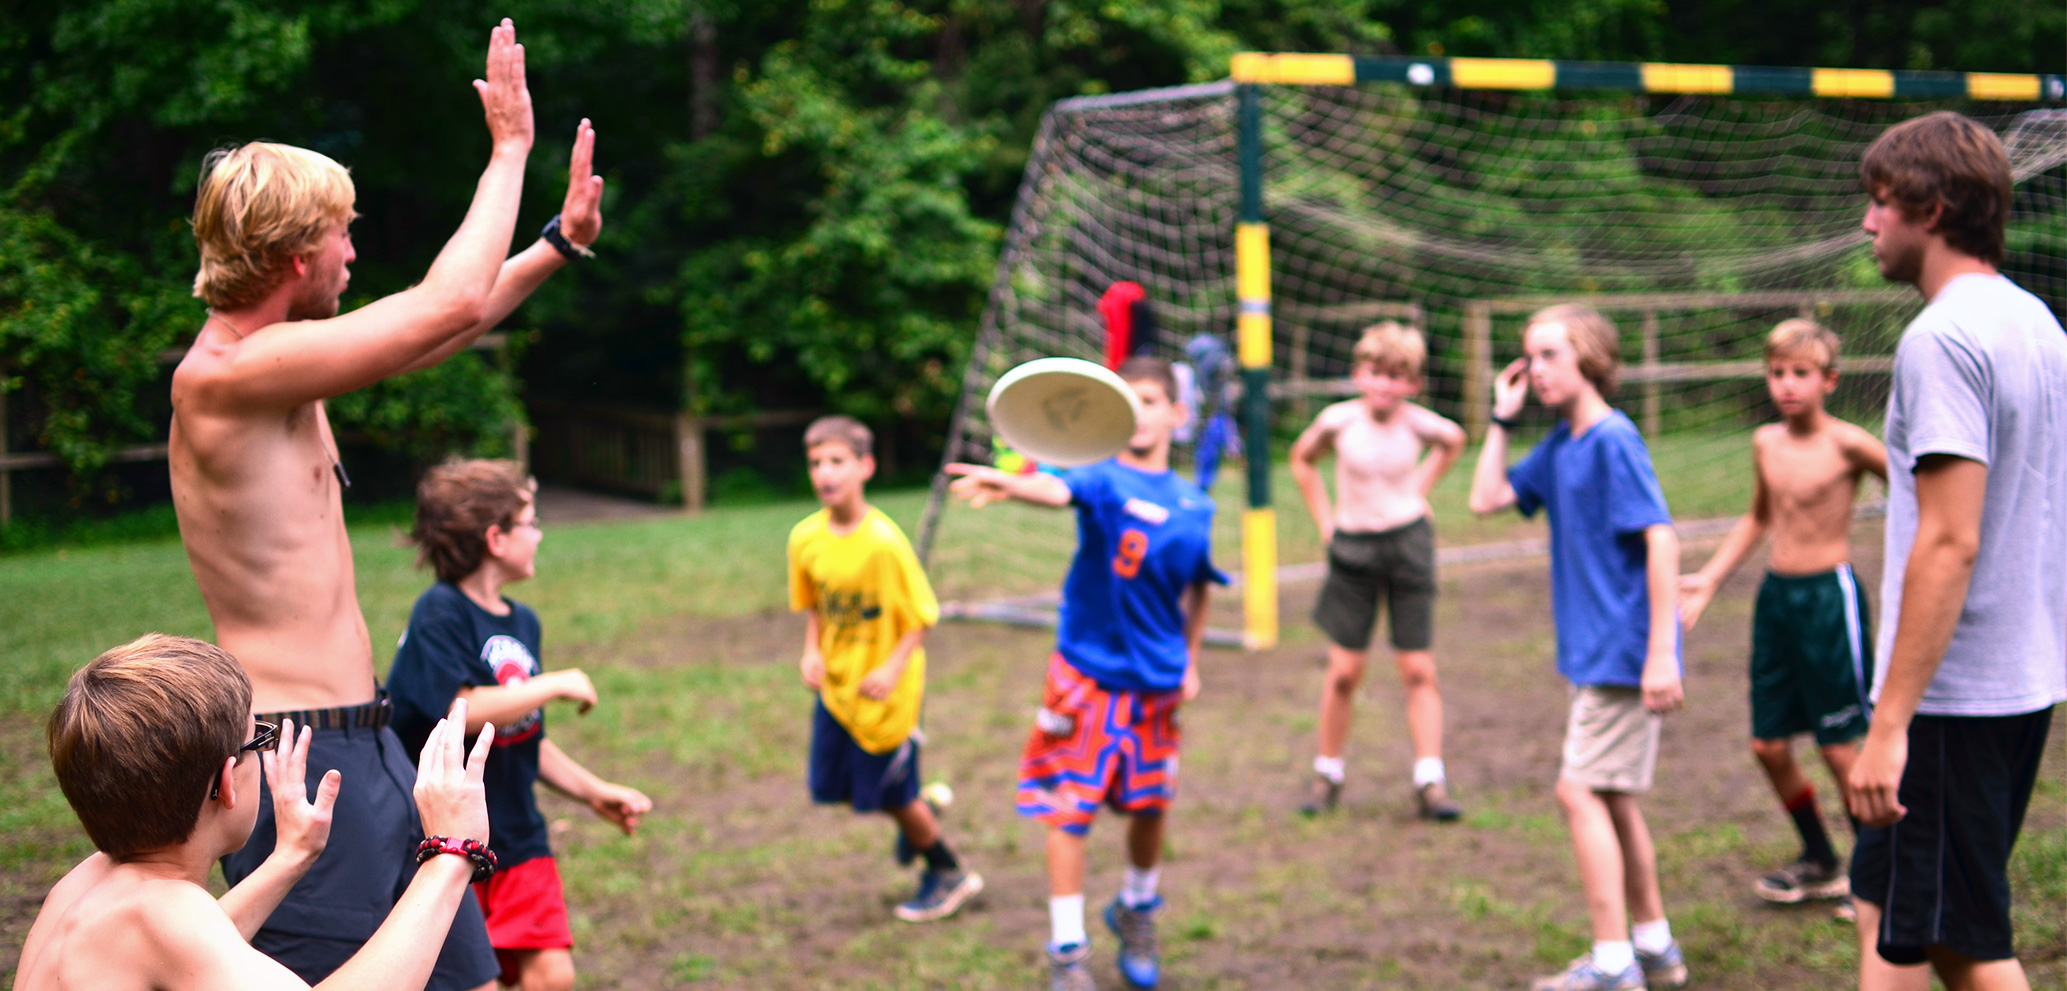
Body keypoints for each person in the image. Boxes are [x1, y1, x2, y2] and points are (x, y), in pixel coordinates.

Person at [167, 20, 602, 989]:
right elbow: (441, 305)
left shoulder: (281, 366)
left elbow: (435, 328)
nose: (354, 252)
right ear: (292, 256)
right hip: (300, 759)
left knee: (470, 977)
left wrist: (555, 249)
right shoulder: (227, 376)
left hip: (367, 743)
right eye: (343, 233)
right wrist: (511, 151)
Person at [1844, 111, 2067, 991]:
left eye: (1880, 202)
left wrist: (1889, 722)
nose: (1867, 223)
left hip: (1951, 698)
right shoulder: (2039, 324)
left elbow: (1948, 536)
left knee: (1961, 942)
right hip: (2020, 678)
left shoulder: (1941, 339)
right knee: (1891, 906)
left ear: (1930, 209)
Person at [946, 356, 1227, 991]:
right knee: (1070, 812)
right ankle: (1068, 950)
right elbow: (1057, 489)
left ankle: (1137, 906)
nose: (1140, 411)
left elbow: (1199, 587)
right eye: (1129, 399)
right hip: (1087, 680)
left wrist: (1191, 659)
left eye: (1152, 400)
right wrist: (1012, 483)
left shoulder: (1194, 507)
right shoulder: (1100, 477)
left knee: (1150, 808)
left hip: (1157, 684)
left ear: (1179, 416)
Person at [15, 633, 496, 991]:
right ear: (226, 782)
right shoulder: (163, 915)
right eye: (258, 739)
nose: (265, 750)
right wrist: (450, 855)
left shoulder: (82, 887)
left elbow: (193, 958)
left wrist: (291, 857)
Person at [1467, 304, 1689, 991]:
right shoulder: (1562, 444)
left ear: (1589, 359)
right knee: (1613, 796)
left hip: (1622, 649)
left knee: (1576, 790)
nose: (1533, 370)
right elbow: (1484, 497)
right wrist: (1501, 420)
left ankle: (1613, 962)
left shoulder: (1611, 438)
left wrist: (1660, 652)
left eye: (1547, 356)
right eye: (1527, 357)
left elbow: (1661, 538)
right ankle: (1654, 948)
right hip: (1594, 649)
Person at [385, 460, 654, 991]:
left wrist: (593, 791)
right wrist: (552, 683)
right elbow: (459, 708)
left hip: (519, 837)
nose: (539, 534)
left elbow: (526, 736)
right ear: (496, 538)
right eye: (530, 522)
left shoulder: (523, 621)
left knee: (551, 975)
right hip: (446, 841)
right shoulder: (439, 612)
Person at [1678, 319, 1887, 919]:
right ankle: (1822, 862)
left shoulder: (1849, 444)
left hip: (1829, 601)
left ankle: (1878, 874)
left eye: (1801, 374)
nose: (1787, 385)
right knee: (1768, 744)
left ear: (1830, 381)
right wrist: (1710, 577)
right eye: (1777, 373)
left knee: (1840, 746)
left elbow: (1924, 493)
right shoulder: (1765, 443)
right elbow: (1758, 516)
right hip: (1776, 600)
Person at [789, 416, 983, 922]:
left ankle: (949, 872)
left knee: (890, 794)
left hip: (885, 692)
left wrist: (892, 669)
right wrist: (811, 651)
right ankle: (921, 811)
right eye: (816, 463)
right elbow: (814, 605)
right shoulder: (804, 538)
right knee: (838, 788)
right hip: (837, 687)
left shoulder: (883, 542)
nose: (825, 473)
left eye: (837, 461)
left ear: (865, 467)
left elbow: (923, 615)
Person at [1289, 321, 1467, 819]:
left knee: (1417, 668)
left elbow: (1454, 440)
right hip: (1352, 552)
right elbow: (1302, 461)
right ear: (1358, 374)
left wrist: (1418, 489)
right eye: (1376, 373)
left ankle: (1430, 781)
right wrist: (1327, 523)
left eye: (1397, 376)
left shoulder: (1419, 424)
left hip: (1409, 545)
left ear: (1412, 382)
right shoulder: (1338, 421)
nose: (1385, 385)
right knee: (1344, 670)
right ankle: (1328, 773)